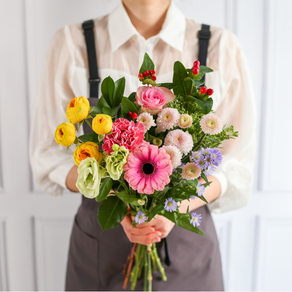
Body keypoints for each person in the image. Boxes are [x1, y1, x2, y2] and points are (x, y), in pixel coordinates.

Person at [29, 0, 256, 290]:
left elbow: (236, 163)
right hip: (100, 251)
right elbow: (48, 154)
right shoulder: (73, 43)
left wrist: (177, 206)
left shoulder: (220, 47)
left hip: (188, 256)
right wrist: (115, 197)